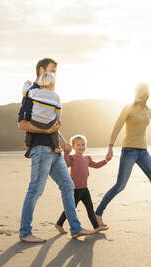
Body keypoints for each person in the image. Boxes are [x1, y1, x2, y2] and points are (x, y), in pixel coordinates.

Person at [18, 58, 95, 243]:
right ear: (42, 70)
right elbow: (22, 124)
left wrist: (64, 141)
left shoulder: (49, 95)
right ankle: (25, 232)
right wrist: (46, 131)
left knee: (68, 186)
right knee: (35, 190)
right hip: (41, 149)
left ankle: (75, 228)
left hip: (55, 150)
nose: (55, 75)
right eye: (52, 70)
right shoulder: (31, 94)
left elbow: (53, 124)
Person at [95, 83, 151, 227]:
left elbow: (141, 130)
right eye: (136, 91)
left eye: (140, 92)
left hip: (143, 151)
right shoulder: (128, 108)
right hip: (129, 151)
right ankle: (98, 213)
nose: (137, 94)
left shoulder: (150, 111)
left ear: (146, 94)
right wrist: (110, 147)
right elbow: (117, 126)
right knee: (120, 186)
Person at [55, 135, 110, 234]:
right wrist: (66, 153)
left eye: (83, 145)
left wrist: (106, 160)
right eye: (78, 145)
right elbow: (66, 164)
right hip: (75, 189)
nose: (81, 147)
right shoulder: (72, 158)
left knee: (90, 208)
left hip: (85, 189)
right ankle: (59, 224)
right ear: (73, 146)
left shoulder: (87, 158)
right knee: (71, 208)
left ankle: (96, 227)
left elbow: (96, 165)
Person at [23, 72, 61, 154]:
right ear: (53, 84)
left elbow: (25, 92)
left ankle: (27, 144)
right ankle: (57, 147)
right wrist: (58, 120)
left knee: (30, 130)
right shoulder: (56, 96)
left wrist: (27, 84)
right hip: (48, 124)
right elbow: (58, 111)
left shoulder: (36, 92)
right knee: (54, 131)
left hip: (35, 121)